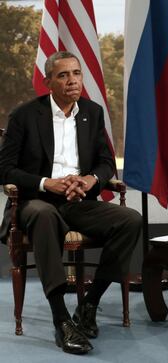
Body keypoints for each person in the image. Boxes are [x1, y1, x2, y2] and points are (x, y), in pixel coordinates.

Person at [0, 51, 142, 355]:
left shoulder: (92, 112)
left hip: (79, 201)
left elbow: (106, 162)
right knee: (44, 215)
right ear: (48, 81)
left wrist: (90, 180)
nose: (72, 80)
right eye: (63, 75)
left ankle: (89, 305)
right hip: (35, 201)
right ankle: (61, 318)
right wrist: (45, 182)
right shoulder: (24, 116)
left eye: (76, 73)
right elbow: (5, 169)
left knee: (129, 220)